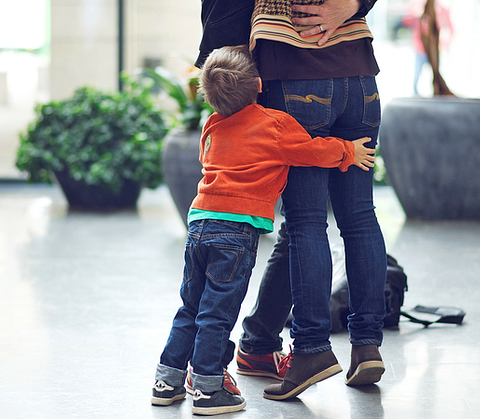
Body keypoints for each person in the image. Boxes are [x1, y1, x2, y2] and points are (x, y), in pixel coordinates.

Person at [151, 45, 376, 415]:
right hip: (235, 233)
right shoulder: (273, 124)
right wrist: (349, 152)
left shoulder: (211, 124)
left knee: (191, 307)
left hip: (199, 223)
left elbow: (209, 158)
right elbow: (311, 151)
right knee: (217, 312)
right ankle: (208, 388)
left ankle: (167, 380)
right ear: (259, 84)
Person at [233, 0, 389, 400]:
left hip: (294, 76)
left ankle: (311, 349)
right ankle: (367, 344)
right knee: (359, 216)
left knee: (306, 222)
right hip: (359, 79)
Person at [402, 0, 453, 95]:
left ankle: (436, 91)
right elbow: (406, 21)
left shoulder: (440, 8)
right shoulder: (417, 6)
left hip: (434, 50)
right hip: (420, 49)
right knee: (417, 75)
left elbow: (450, 28)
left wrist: (445, 43)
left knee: (435, 75)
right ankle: (416, 93)